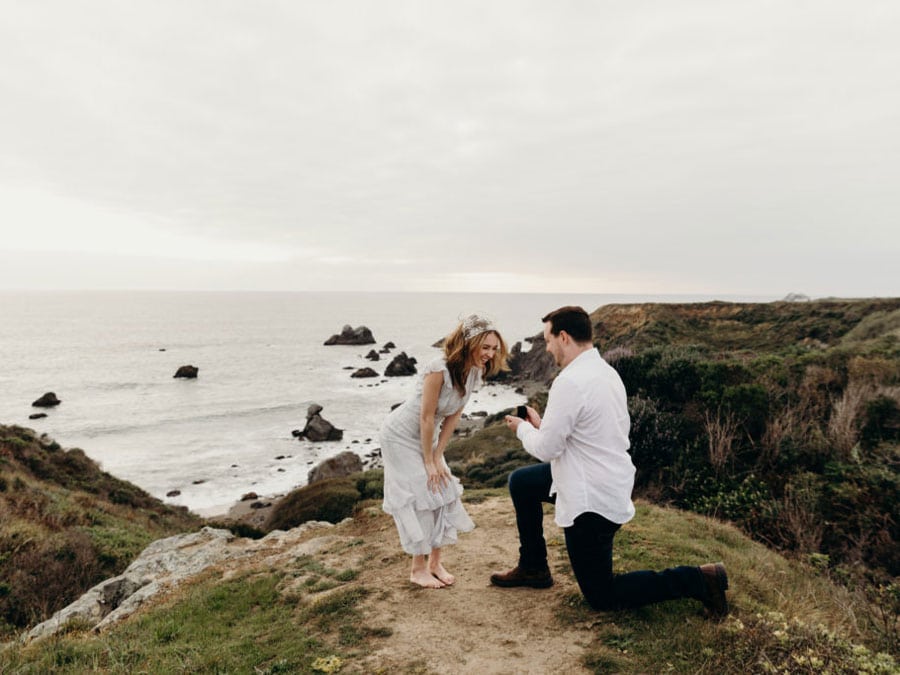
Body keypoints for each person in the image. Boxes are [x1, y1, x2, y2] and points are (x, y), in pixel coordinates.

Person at [491, 306, 729, 618]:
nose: (546, 348)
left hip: (591, 497)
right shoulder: (606, 372)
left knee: (603, 595)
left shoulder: (570, 381)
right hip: (604, 478)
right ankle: (534, 566)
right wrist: (542, 425)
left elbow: (548, 449)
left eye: (548, 340)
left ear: (564, 337)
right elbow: (586, 430)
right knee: (521, 482)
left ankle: (701, 579)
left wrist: (522, 429)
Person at [381, 314, 510, 588]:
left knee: (444, 489)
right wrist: (428, 461)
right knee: (423, 493)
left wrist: (438, 456)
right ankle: (417, 569)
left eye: (494, 349)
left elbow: (453, 416)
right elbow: (426, 417)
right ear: (469, 343)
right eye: (485, 347)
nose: (489, 354)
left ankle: (435, 563)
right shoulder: (437, 368)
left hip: (430, 437)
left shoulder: (474, 372)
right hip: (400, 435)